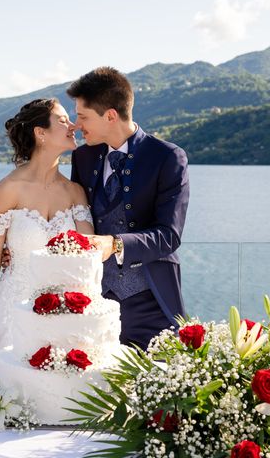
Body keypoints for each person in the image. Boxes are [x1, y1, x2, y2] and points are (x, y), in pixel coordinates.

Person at [0, 98, 94, 360]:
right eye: (63, 120)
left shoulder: (76, 192)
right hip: (11, 312)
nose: (73, 126)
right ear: (40, 133)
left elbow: (89, 253)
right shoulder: (9, 188)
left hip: (64, 314)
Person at [68, 66, 190, 351]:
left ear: (110, 115)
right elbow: (74, 213)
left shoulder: (167, 158)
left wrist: (116, 244)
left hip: (151, 303)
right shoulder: (83, 157)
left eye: (83, 116)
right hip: (96, 302)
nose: (76, 124)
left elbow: (169, 235)